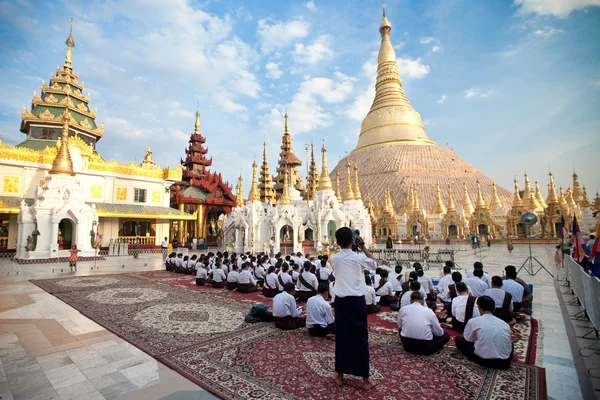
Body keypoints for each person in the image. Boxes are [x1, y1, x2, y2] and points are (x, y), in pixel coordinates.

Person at [331, 227, 376, 390]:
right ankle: (365, 380)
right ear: (353, 241)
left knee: (342, 337)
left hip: (342, 302)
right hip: (357, 302)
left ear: (337, 242)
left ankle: (340, 375)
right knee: (360, 338)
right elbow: (374, 263)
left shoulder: (334, 258)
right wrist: (363, 247)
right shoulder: (358, 258)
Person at [456, 296, 514, 369]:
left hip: (483, 360)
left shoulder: (474, 321)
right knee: (511, 343)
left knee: (458, 340)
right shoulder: (504, 324)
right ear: (494, 309)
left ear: (479, 307)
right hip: (504, 362)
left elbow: (467, 339)